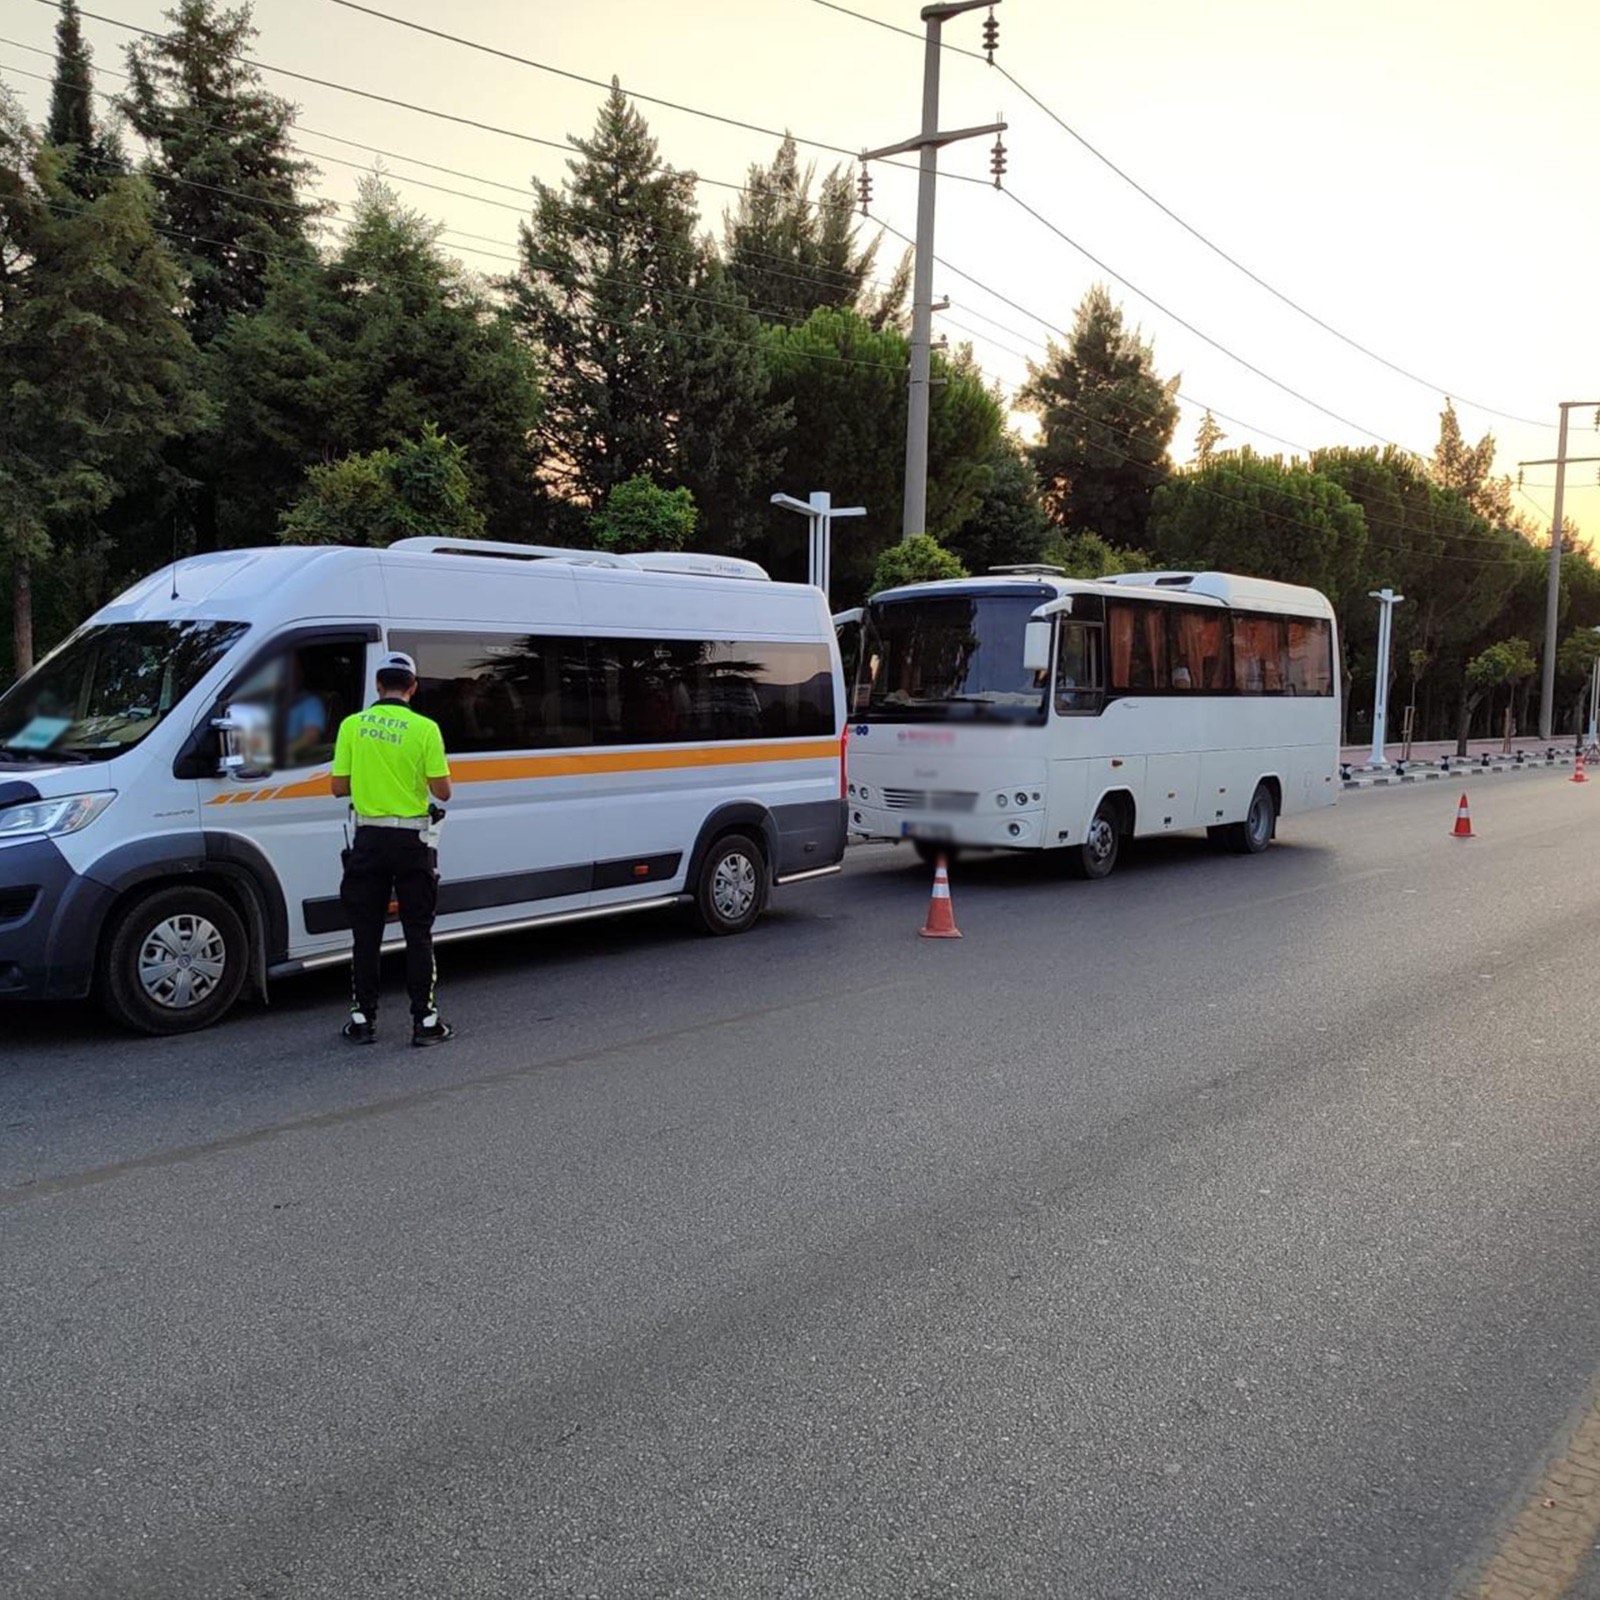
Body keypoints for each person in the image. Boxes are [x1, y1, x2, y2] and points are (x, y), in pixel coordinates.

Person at [330, 652, 454, 1048]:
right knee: (418, 932)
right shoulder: (426, 729)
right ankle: (425, 1022)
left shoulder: (352, 726)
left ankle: (363, 1020)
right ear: (412, 688)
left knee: (365, 934)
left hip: (368, 840)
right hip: (411, 841)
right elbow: (443, 791)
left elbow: (338, 787)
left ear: (378, 686)